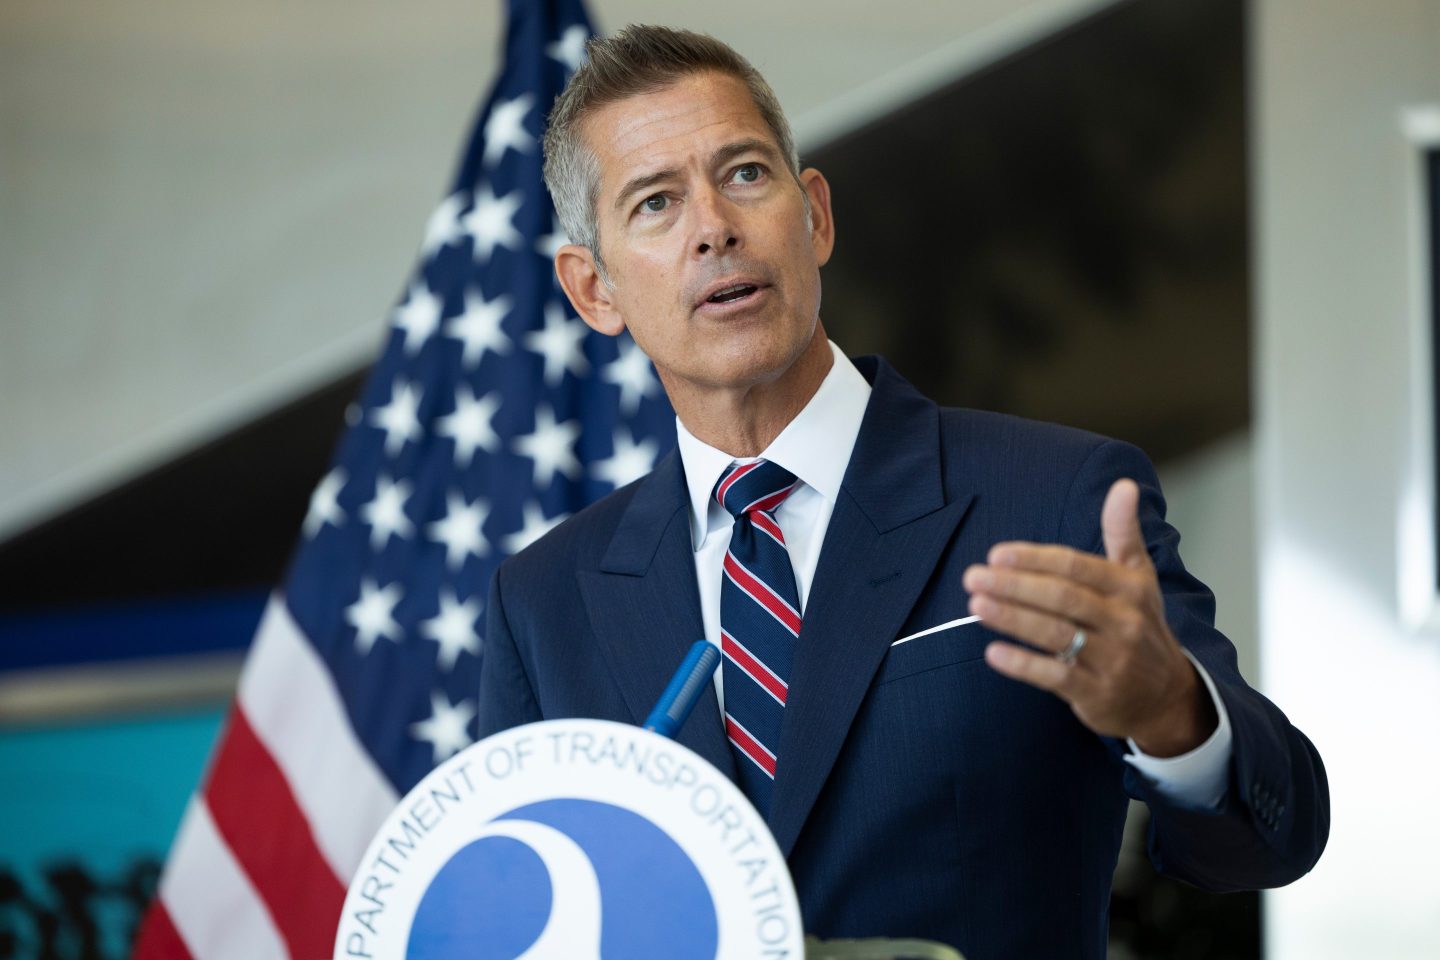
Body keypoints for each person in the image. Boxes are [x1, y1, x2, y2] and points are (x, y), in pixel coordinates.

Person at [476, 24, 1327, 957]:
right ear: (593, 290)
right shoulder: (544, 603)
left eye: (746, 174)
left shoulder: (1056, 496)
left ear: (817, 218)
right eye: (656, 203)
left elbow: (1272, 839)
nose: (713, 225)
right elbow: (518, 915)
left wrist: (1172, 711)